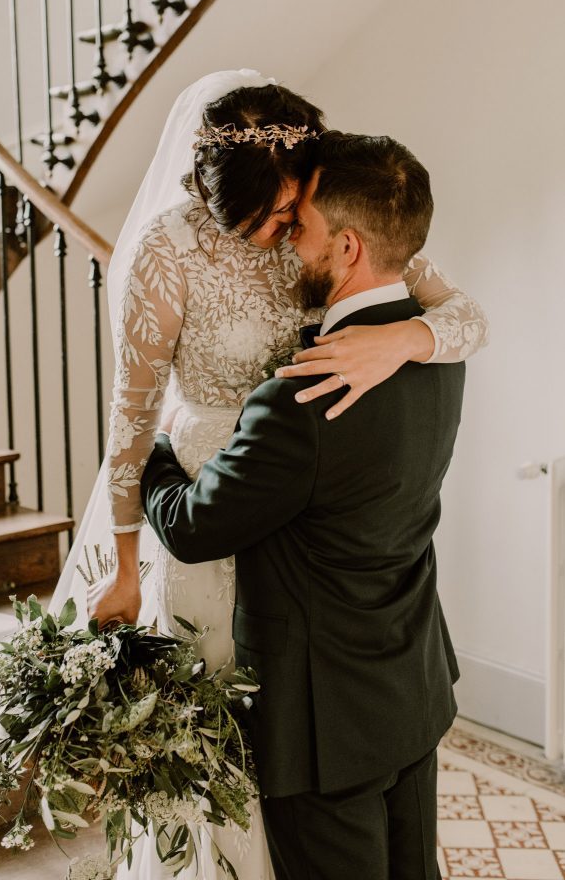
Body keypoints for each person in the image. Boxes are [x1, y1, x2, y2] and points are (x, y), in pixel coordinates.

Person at [49, 70, 487, 878]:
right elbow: (131, 412)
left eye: (295, 213)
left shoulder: (341, 222)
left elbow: (464, 316)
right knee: (219, 759)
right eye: (267, 217)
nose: (284, 233)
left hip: (284, 496)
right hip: (222, 515)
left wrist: (405, 341)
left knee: (298, 760)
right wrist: (119, 563)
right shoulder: (167, 248)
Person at [141, 129, 464, 880]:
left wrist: (158, 447)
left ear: (348, 247)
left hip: (325, 726)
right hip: (412, 685)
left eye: (304, 231)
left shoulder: (302, 398)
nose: (288, 248)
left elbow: (192, 527)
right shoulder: (438, 350)